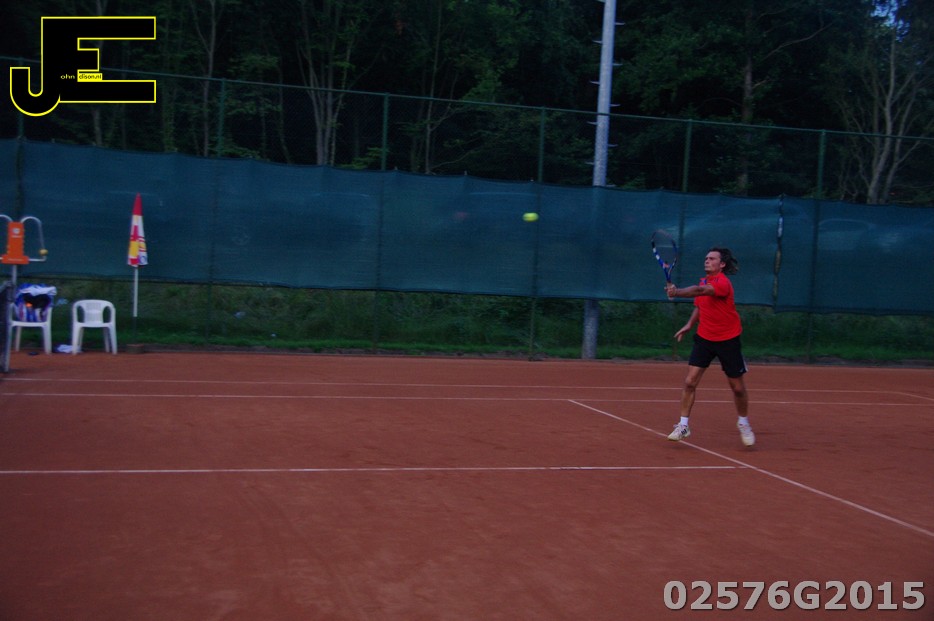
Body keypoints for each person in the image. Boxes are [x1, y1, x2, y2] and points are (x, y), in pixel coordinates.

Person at [664, 247, 755, 447]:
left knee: (738, 388)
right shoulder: (704, 281)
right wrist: (689, 325)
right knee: (690, 382)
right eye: (706, 258)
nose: (707, 260)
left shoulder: (722, 283)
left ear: (721, 264)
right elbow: (700, 305)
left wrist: (677, 292)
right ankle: (683, 425)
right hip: (705, 338)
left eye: (712, 258)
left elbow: (700, 291)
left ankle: (743, 422)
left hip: (728, 339)